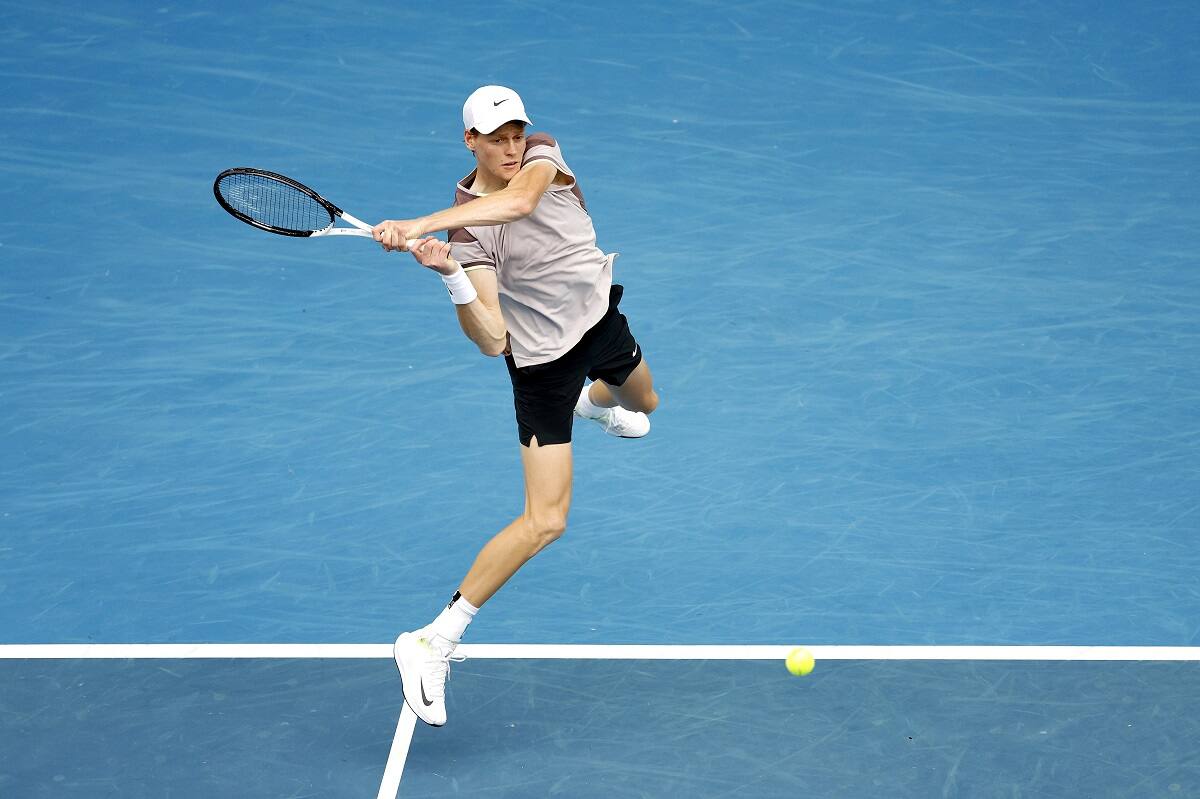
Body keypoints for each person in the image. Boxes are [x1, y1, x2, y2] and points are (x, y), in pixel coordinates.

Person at [373, 85, 660, 727]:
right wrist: (449, 273)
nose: (510, 146)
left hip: (597, 318)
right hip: (543, 363)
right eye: (496, 138)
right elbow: (492, 339)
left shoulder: (543, 156)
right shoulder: (468, 230)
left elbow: (524, 201)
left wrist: (419, 224)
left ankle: (599, 404)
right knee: (546, 521)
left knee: (645, 403)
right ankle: (432, 641)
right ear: (469, 141)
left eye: (515, 133)